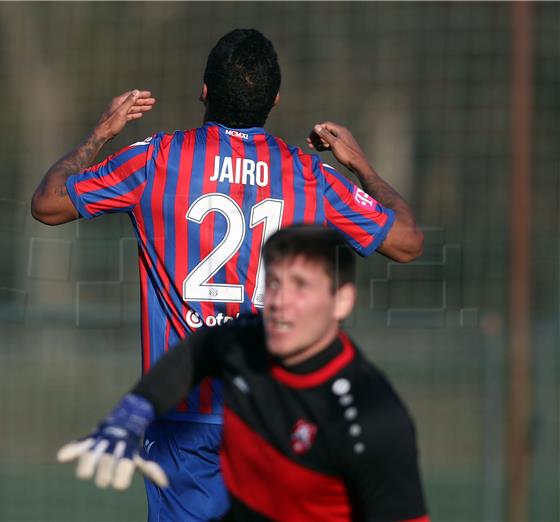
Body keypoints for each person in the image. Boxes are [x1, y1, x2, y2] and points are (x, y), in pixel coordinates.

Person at [33, 29, 424, 521]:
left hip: (183, 413)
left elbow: (48, 204)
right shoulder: (310, 176)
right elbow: (407, 241)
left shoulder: (156, 160)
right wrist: (361, 165)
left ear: (204, 91)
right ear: (275, 99)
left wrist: (100, 134)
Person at [58, 226, 430, 522]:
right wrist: (133, 414)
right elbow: (197, 352)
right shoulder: (246, 340)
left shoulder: (372, 418)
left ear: (342, 300)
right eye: (274, 283)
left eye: (301, 286)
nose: (280, 301)